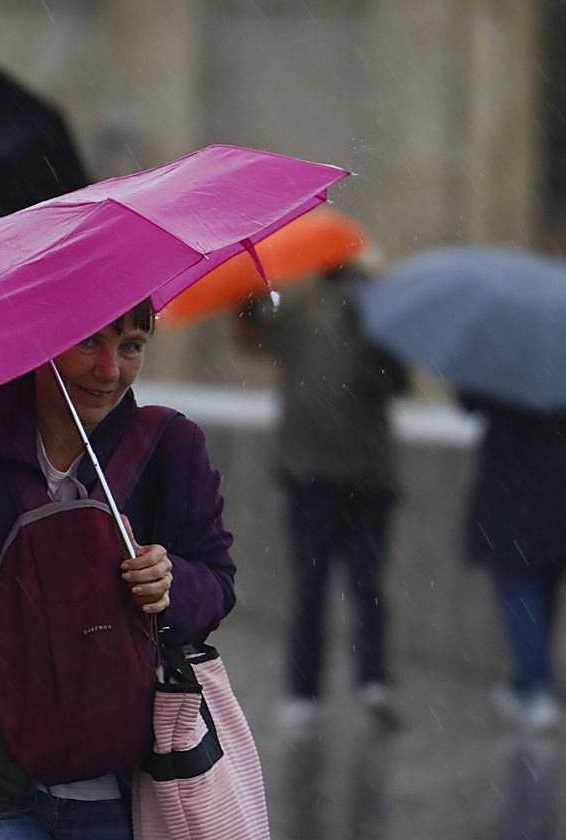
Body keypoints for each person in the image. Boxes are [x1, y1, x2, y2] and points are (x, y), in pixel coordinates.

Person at [0, 301, 237, 838]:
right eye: (89, 343)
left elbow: (217, 583)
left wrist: (170, 581)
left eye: (131, 346)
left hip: (116, 783)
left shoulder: (169, 447)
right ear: (40, 341)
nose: (109, 370)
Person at [235, 263, 407, 731]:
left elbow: (252, 337)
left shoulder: (300, 313)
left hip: (309, 471)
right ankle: (373, 679)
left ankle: (302, 693)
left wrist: (245, 297)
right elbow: (397, 384)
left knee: (310, 587)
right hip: (369, 473)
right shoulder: (381, 318)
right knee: (367, 583)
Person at [460, 392, 566, 732]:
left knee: (518, 590)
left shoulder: (499, 364)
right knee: (543, 591)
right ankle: (522, 683)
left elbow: (468, 400)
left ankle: (538, 685)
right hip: (557, 489)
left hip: (509, 492)